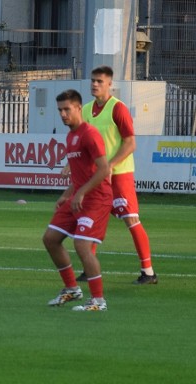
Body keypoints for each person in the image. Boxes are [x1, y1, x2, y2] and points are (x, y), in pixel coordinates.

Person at [76, 66, 157, 285]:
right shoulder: (84, 110)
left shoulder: (117, 109)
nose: (94, 84)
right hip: (97, 177)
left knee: (131, 220)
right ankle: (88, 267)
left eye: (99, 81)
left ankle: (148, 272)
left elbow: (130, 143)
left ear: (109, 84)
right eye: (92, 80)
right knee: (91, 218)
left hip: (119, 174)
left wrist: (110, 165)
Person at [44, 89, 112, 311]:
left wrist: (81, 192)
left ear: (78, 108)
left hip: (96, 198)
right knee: (50, 238)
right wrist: (67, 194)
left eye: (67, 109)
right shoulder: (70, 136)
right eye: (60, 110)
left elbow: (104, 169)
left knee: (81, 244)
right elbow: (80, 174)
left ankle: (98, 301)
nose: (63, 114)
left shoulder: (89, 134)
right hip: (78, 196)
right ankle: (72, 289)